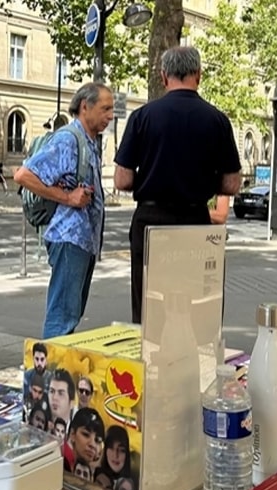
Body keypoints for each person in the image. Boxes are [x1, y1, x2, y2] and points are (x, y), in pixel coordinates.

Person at [113, 46, 242, 324]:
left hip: (151, 220)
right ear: (199, 75)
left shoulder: (142, 117)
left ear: (163, 76)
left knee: (149, 308)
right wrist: (203, 180)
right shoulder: (217, 120)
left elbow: (122, 179)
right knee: (196, 306)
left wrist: (151, 177)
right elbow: (232, 183)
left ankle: (150, 350)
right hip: (195, 221)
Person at [14, 83, 113, 338]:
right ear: (85, 107)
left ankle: (59, 361)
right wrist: (68, 197)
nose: (111, 116)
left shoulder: (89, 141)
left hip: (82, 241)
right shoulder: (68, 139)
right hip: (69, 239)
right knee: (62, 319)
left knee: (70, 315)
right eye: (105, 109)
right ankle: (51, 364)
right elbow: (24, 175)